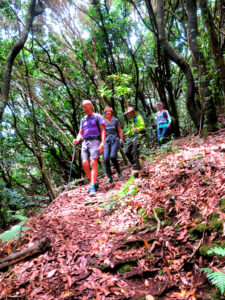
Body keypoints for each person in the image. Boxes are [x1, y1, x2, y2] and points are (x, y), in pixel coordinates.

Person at [73, 100, 106, 196]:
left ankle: (92, 186)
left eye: (86, 107)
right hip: (85, 142)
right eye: (83, 107)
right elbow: (80, 132)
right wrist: (77, 139)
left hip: (95, 141)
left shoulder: (97, 117)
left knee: (93, 162)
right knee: (84, 163)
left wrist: (102, 143)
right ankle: (94, 182)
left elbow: (103, 130)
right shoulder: (83, 119)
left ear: (91, 106)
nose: (85, 109)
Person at [103, 106, 123, 183]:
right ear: (105, 113)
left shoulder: (115, 120)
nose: (108, 113)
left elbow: (119, 131)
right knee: (105, 158)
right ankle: (109, 177)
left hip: (115, 139)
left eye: (109, 111)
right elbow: (103, 133)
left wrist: (121, 139)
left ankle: (119, 172)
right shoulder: (103, 122)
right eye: (106, 111)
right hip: (107, 141)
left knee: (112, 156)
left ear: (111, 112)